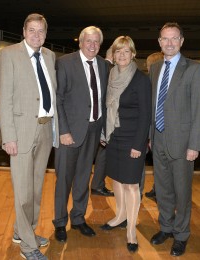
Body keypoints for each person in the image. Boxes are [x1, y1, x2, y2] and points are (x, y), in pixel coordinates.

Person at [0, 13, 58, 260]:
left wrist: (54, 131)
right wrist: (8, 136)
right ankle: (28, 247)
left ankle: (24, 232)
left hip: (44, 129)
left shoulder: (50, 56)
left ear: (45, 33)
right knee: (23, 191)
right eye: (31, 30)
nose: (36, 35)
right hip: (20, 133)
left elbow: (50, 95)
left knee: (35, 189)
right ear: (23, 31)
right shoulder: (9, 54)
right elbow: (4, 99)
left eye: (40, 30)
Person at [149, 22, 200, 257]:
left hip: (184, 144)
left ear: (182, 41)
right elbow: (153, 106)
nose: (170, 43)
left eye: (174, 38)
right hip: (159, 139)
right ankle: (166, 227)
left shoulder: (194, 69)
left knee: (182, 192)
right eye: (165, 39)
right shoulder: (154, 68)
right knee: (162, 190)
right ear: (159, 42)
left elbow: (199, 109)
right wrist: (150, 137)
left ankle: (181, 234)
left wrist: (195, 144)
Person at [53, 26, 109, 243]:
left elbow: (103, 100)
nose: (92, 45)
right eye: (89, 41)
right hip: (70, 133)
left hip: (94, 131)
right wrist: (63, 131)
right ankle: (59, 222)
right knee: (64, 180)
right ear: (80, 42)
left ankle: (78, 218)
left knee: (84, 177)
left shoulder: (104, 65)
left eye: (96, 42)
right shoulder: (65, 63)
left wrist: (103, 129)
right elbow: (58, 99)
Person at [100, 36, 151, 253]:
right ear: (113, 54)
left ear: (133, 54)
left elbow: (146, 115)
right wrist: (104, 132)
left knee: (131, 184)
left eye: (126, 51)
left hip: (132, 139)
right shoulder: (110, 76)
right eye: (117, 51)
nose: (121, 55)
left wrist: (139, 144)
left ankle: (131, 228)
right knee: (117, 180)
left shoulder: (140, 79)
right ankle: (120, 216)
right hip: (113, 136)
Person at [91, 46, 114, 197]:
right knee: (104, 154)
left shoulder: (102, 67)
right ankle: (98, 184)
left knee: (102, 154)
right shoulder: (108, 69)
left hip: (100, 119)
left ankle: (97, 184)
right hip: (104, 120)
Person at [143, 51, 164, 200]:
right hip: (153, 128)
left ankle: (159, 190)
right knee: (159, 164)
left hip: (151, 128)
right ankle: (157, 189)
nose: (147, 67)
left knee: (159, 164)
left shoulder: (151, 81)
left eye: (149, 65)